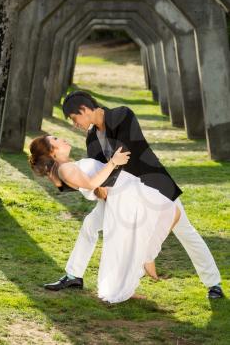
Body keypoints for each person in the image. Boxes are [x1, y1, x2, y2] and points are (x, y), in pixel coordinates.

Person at [43, 90, 223, 299]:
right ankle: (74, 274)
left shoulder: (122, 115)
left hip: (154, 187)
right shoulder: (92, 137)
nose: (75, 124)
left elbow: (125, 156)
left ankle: (213, 284)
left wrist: (102, 181)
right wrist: (63, 182)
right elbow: (97, 172)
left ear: (84, 110)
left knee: (185, 231)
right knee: (90, 224)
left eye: (75, 118)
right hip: (118, 195)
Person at [29, 134, 181, 303]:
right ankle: (136, 269)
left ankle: (76, 275)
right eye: (56, 139)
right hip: (121, 195)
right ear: (52, 152)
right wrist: (113, 162)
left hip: (117, 192)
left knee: (91, 226)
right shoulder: (64, 169)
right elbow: (90, 183)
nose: (62, 139)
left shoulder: (67, 166)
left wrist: (99, 185)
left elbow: (90, 183)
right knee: (165, 214)